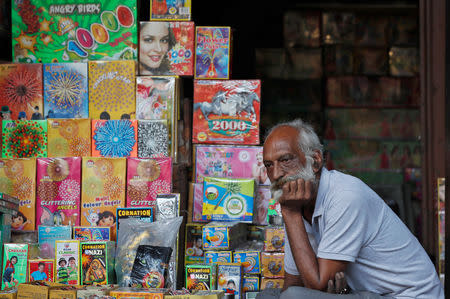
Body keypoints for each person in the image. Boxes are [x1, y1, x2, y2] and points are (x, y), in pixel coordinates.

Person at [260, 118, 443, 298]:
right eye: (269, 165)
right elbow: (293, 282)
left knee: (294, 297)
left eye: (285, 160)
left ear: (315, 161)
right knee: (267, 296)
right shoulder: (298, 202)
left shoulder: (345, 195)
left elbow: (317, 287)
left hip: (405, 295)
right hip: (368, 294)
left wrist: (290, 214)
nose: (275, 174)